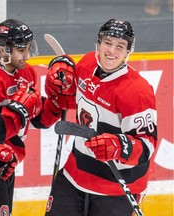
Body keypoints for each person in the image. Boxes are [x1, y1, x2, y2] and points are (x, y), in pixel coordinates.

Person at [44, 18, 157, 216]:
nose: (111, 51)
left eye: (120, 46)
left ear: (129, 51)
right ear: (98, 42)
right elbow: (72, 101)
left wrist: (119, 146)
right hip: (75, 174)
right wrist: (61, 82)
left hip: (117, 187)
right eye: (108, 42)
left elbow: (146, 147)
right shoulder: (87, 64)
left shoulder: (137, 92)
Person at [0, 19, 76, 216]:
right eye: (21, 49)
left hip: (10, 160)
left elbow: (37, 118)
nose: (26, 55)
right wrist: (18, 111)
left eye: (28, 48)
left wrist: (57, 100)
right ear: (2, 50)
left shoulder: (26, 72)